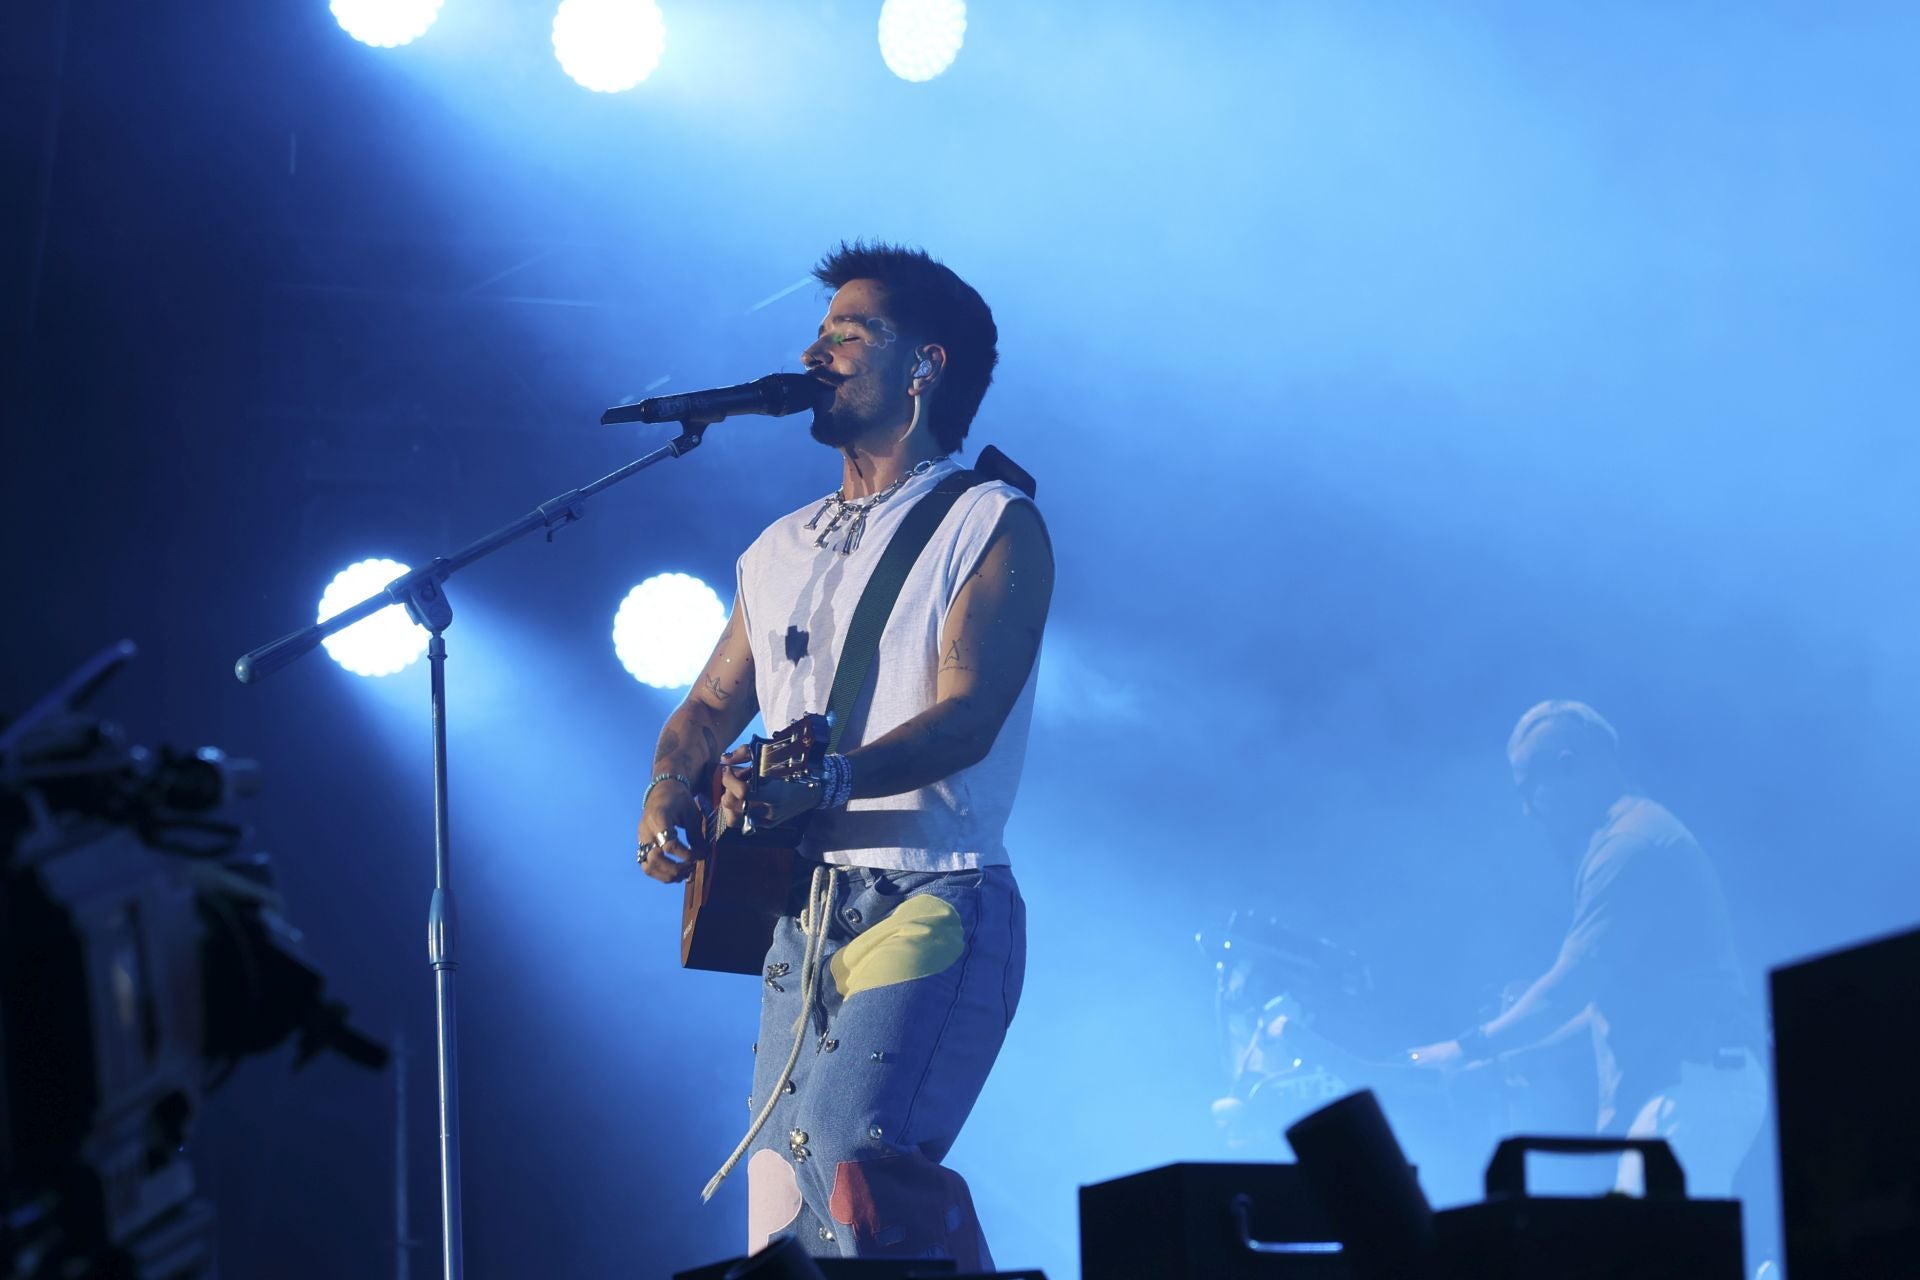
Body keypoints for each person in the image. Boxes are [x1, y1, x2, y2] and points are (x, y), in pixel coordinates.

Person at [635, 242, 1052, 1265]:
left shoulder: (991, 522)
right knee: (782, 1197)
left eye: (848, 335)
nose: (817, 352)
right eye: (817, 335)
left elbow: (968, 716)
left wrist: (832, 777)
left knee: (852, 1153)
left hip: (931, 896)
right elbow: (706, 705)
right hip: (799, 910)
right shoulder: (777, 547)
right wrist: (666, 784)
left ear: (926, 364)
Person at [1408, 700, 1767, 1199]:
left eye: (1528, 787)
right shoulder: (1629, 834)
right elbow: (1602, 997)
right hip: (1699, 1083)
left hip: (1695, 1084)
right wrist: (1526, 1050)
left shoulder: (1629, 844)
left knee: (1665, 1253)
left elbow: (1571, 982)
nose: (1527, 808)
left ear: (1567, 766)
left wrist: (1469, 1045)